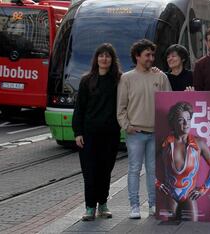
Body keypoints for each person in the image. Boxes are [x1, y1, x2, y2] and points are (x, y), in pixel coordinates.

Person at [117, 39, 172, 219]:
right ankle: (134, 206)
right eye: (147, 55)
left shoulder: (160, 77)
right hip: (135, 133)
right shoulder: (126, 78)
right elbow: (121, 107)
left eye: (152, 54)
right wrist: (127, 126)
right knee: (134, 169)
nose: (151, 58)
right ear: (137, 56)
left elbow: (169, 102)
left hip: (156, 133)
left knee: (153, 170)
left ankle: (153, 204)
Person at [72, 43, 122, 221]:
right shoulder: (87, 80)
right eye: (101, 55)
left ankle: (103, 204)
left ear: (112, 59)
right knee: (90, 172)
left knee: (105, 171)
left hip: (110, 134)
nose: (104, 58)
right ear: (96, 59)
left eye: (107, 55)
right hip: (89, 135)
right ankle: (89, 207)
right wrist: (78, 132)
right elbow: (79, 109)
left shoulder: (119, 79)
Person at [155, 102, 210, 221]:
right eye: (181, 120)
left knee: (191, 229)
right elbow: (147, 162)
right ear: (173, 122)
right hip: (169, 197)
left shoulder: (199, 143)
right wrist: (157, 183)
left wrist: (204, 188)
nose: (186, 123)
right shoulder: (164, 142)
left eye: (188, 119)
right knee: (168, 230)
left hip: (189, 196)